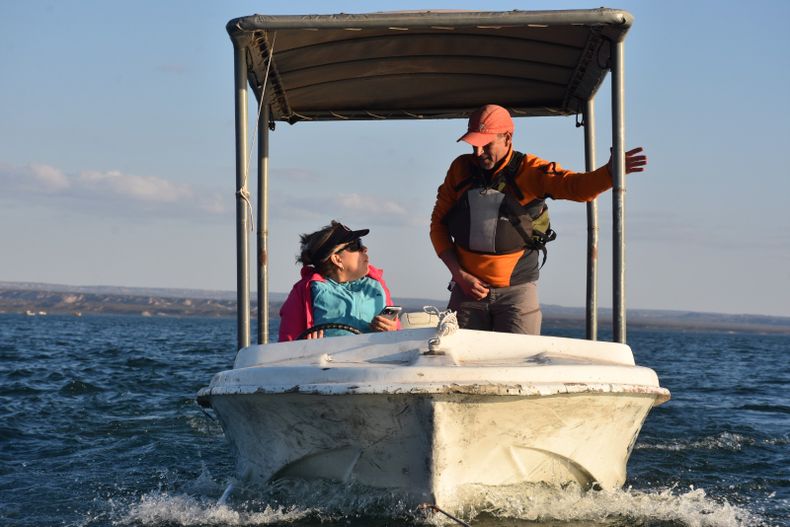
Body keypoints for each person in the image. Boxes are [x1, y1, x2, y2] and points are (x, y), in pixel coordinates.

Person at [430, 104, 647, 335]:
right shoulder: (459, 169)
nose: (478, 152)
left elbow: (576, 187)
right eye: (474, 144)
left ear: (507, 137)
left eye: (486, 144)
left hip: (517, 294)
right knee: (458, 363)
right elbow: (438, 225)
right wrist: (459, 275)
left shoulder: (531, 170)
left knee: (518, 364)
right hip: (466, 292)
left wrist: (608, 174)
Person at [278, 220, 399, 341]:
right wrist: (307, 348)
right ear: (337, 259)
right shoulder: (303, 292)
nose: (365, 249)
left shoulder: (377, 285)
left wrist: (393, 330)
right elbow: (286, 346)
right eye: (356, 245)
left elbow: (398, 334)